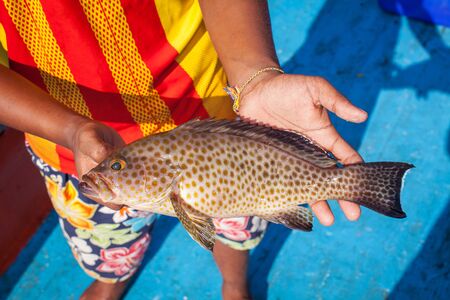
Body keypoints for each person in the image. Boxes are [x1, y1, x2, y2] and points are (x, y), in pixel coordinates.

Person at [0, 1, 367, 299]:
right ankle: (112, 282)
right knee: (108, 244)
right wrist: (71, 128)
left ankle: (235, 283)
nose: (110, 174)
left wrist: (257, 76)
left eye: (118, 169)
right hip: (68, 147)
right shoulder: (99, 170)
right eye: (118, 169)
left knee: (238, 227)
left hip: (220, 112)